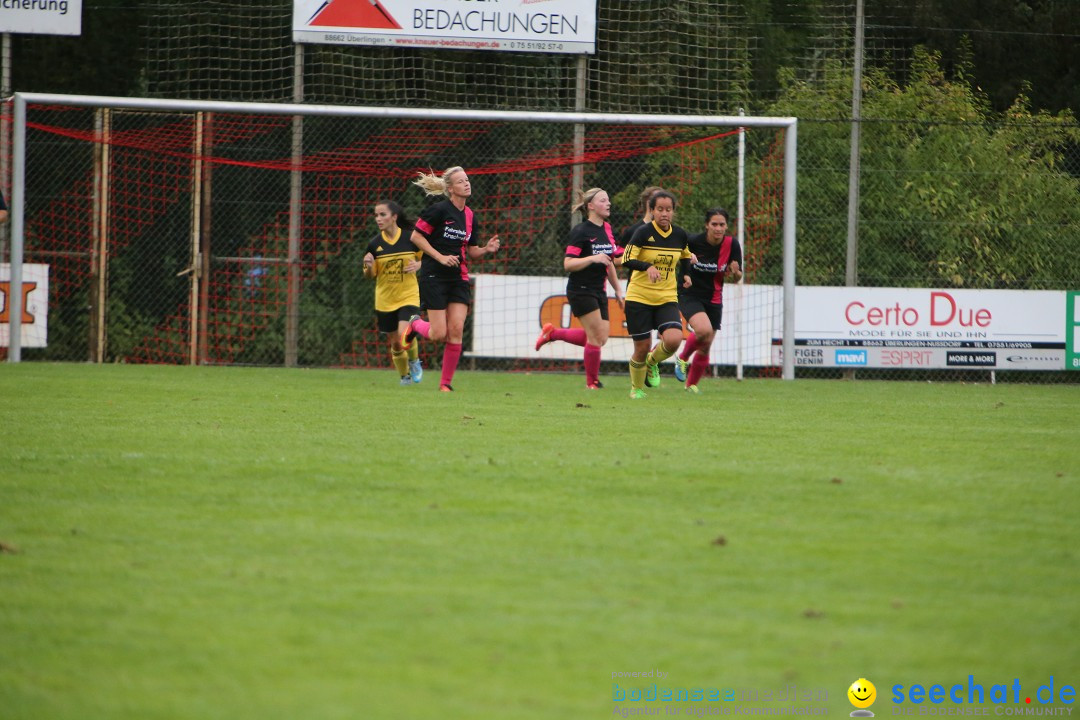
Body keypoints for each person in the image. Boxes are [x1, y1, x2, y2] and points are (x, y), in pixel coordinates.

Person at [403, 166, 500, 392]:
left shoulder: (470, 216)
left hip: (459, 278)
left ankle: (445, 384)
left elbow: (472, 251)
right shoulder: (438, 210)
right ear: (450, 188)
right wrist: (440, 257)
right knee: (439, 334)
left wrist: (486, 249)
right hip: (434, 275)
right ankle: (415, 325)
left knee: (456, 330)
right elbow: (416, 236)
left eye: (467, 180)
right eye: (460, 181)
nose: (467, 183)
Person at [534, 187, 625, 389]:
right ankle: (592, 383)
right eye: (603, 200)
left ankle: (553, 334)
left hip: (599, 290)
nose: (608, 203)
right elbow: (568, 264)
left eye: (608, 199)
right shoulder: (581, 231)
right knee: (595, 337)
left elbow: (609, 261)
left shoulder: (607, 229)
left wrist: (618, 289)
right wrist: (592, 257)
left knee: (601, 337)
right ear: (591, 206)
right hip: (580, 289)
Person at [620, 190, 691, 399]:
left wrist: (686, 275)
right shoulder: (642, 233)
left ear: (673, 212)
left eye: (668, 210)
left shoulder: (679, 235)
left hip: (666, 297)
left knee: (674, 339)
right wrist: (647, 266)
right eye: (659, 209)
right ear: (651, 211)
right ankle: (637, 389)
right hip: (639, 297)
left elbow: (685, 255)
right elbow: (626, 258)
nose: (664, 214)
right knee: (640, 348)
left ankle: (652, 362)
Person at [673, 208, 743, 393]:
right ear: (706, 225)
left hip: (714, 297)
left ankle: (691, 386)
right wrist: (686, 262)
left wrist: (736, 272)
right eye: (714, 224)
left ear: (727, 226)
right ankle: (682, 358)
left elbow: (737, 277)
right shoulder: (694, 242)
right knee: (703, 331)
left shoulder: (732, 245)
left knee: (705, 347)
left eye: (722, 224)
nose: (718, 228)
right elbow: (677, 257)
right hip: (690, 294)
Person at [362, 200, 424, 385]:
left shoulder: (411, 238)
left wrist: (418, 264)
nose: (378, 219)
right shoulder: (374, 244)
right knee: (396, 343)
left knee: (404, 334)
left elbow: (428, 258)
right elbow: (370, 275)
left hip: (408, 296)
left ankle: (414, 361)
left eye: (383, 215)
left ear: (394, 217)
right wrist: (368, 267)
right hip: (385, 300)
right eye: (376, 215)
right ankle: (404, 377)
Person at [618, 185, 664, 252]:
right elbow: (617, 258)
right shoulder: (633, 231)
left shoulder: (669, 231)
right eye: (659, 198)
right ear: (649, 202)